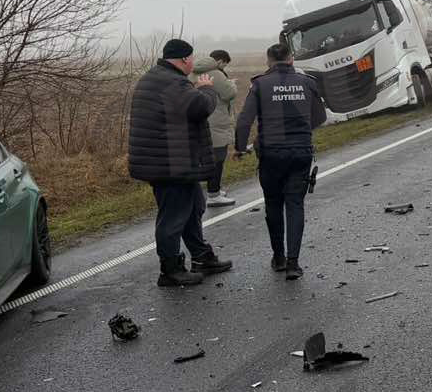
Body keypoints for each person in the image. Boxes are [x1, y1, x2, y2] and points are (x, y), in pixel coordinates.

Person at [127, 38, 236, 288]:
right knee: (173, 217)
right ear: (185, 60)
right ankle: (170, 269)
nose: (193, 65)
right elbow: (199, 107)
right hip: (169, 164)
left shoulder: (156, 77)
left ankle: (201, 256)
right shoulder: (171, 82)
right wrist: (206, 88)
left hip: (171, 160)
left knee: (194, 206)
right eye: (192, 60)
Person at [234, 41, 328, 279]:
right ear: (291, 59)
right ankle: (294, 263)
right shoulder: (308, 83)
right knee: (295, 204)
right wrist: (302, 130)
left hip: (271, 154)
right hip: (300, 153)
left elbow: (244, 121)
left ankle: (278, 257)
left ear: (269, 61)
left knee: (273, 204)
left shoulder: (260, 84)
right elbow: (320, 117)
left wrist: (239, 147)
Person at [192, 49, 238, 206]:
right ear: (220, 61)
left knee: (202, 158)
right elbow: (229, 94)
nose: (225, 67)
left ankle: (207, 191)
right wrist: (231, 84)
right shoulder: (216, 73)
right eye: (225, 63)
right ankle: (213, 193)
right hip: (217, 121)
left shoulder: (193, 72)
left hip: (200, 120)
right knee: (218, 158)